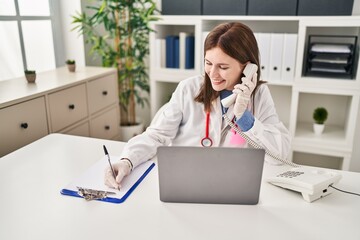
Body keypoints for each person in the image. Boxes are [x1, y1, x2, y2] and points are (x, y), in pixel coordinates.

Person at [105, 22, 291, 189]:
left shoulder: (259, 95)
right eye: (208, 63)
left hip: (230, 187)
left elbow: (279, 155)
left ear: (247, 66)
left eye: (223, 67)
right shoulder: (188, 88)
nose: (213, 73)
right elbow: (156, 135)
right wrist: (126, 161)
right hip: (185, 182)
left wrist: (245, 118)